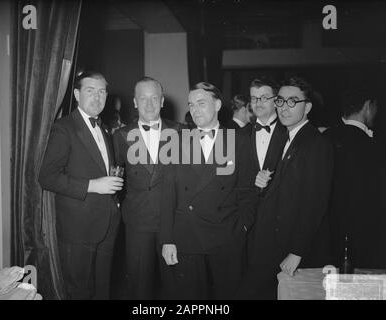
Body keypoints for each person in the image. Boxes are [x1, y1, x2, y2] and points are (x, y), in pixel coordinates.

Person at [238, 76, 333, 299]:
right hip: (271, 242)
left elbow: (315, 202)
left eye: (292, 102)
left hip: (290, 247)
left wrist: (296, 252)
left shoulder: (316, 144)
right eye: (280, 101)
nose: (284, 108)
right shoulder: (289, 138)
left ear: (307, 107)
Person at [160, 82, 255, 299]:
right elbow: (168, 195)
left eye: (201, 103)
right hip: (187, 237)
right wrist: (167, 239)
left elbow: (247, 192)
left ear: (218, 104)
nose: (194, 109)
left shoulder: (238, 141)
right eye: (191, 104)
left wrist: (241, 229)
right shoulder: (177, 142)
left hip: (226, 236)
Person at [38, 71, 124, 299]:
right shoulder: (63, 128)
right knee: (80, 292)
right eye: (90, 91)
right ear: (76, 94)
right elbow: (46, 177)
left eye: (102, 91)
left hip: (107, 223)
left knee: (102, 290)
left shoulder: (104, 129)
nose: (97, 97)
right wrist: (92, 185)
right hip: (78, 228)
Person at [112, 77, 183, 299]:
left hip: (173, 222)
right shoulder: (121, 136)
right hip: (137, 222)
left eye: (154, 98)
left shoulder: (182, 132)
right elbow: (114, 176)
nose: (149, 104)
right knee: (138, 288)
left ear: (162, 101)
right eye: (143, 98)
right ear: (134, 102)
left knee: (177, 287)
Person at [324, 87, 386, 269]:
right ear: (368, 106)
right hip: (366, 236)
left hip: (328, 235)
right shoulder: (375, 147)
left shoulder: (324, 138)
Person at [247, 77, 288, 197]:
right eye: (254, 98)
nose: (258, 103)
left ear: (276, 101)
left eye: (264, 98)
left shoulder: (288, 133)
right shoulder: (241, 135)